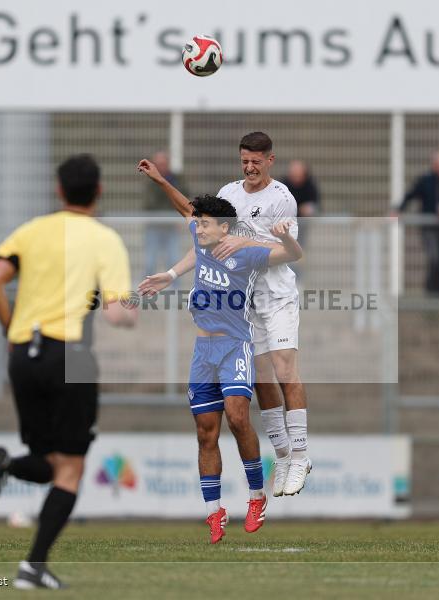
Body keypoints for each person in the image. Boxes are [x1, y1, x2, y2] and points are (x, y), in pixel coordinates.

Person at [0, 154, 137, 590]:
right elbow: (119, 313)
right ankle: (33, 567)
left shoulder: (31, 230)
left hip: (23, 354)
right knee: (70, 470)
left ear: (58, 190)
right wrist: (132, 310)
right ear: (99, 191)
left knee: (49, 463)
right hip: (72, 355)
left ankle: (6, 467)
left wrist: (12, 327)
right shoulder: (104, 240)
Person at [136, 132, 312, 498]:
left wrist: (247, 241)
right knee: (263, 381)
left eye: (256, 162)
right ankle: (282, 457)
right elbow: (198, 229)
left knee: (284, 368)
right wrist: (170, 274)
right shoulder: (229, 194)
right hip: (243, 304)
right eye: (244, 160)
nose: (249, 167)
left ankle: (300, 455)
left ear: (270, 161)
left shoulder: (282, 199)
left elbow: (292, 253)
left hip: (277, 296)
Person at [396, 150, 439, 296]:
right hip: (430, 229)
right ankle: (431, 293)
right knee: (435, 258)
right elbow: (411, 194)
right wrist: (398, 209)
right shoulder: (426, 181)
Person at [143, 151, 188, 279]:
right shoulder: (150, 182)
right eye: (158, 164)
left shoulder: (177, 179)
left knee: (174, 260)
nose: (161, 167)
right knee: (150, 262)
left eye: (163, 163)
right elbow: (150, 204)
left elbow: (183, 198)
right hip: (154, 227)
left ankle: (176, 294)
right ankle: (146, 292)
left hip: (172, 228)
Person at [280, 160, 319, 247]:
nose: (297, 178)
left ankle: (301, 247)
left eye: (299, 175)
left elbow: (315, 202)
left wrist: (309, 207)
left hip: (302, 218)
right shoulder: (283, 184)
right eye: (294, 174)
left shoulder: (310, 184)